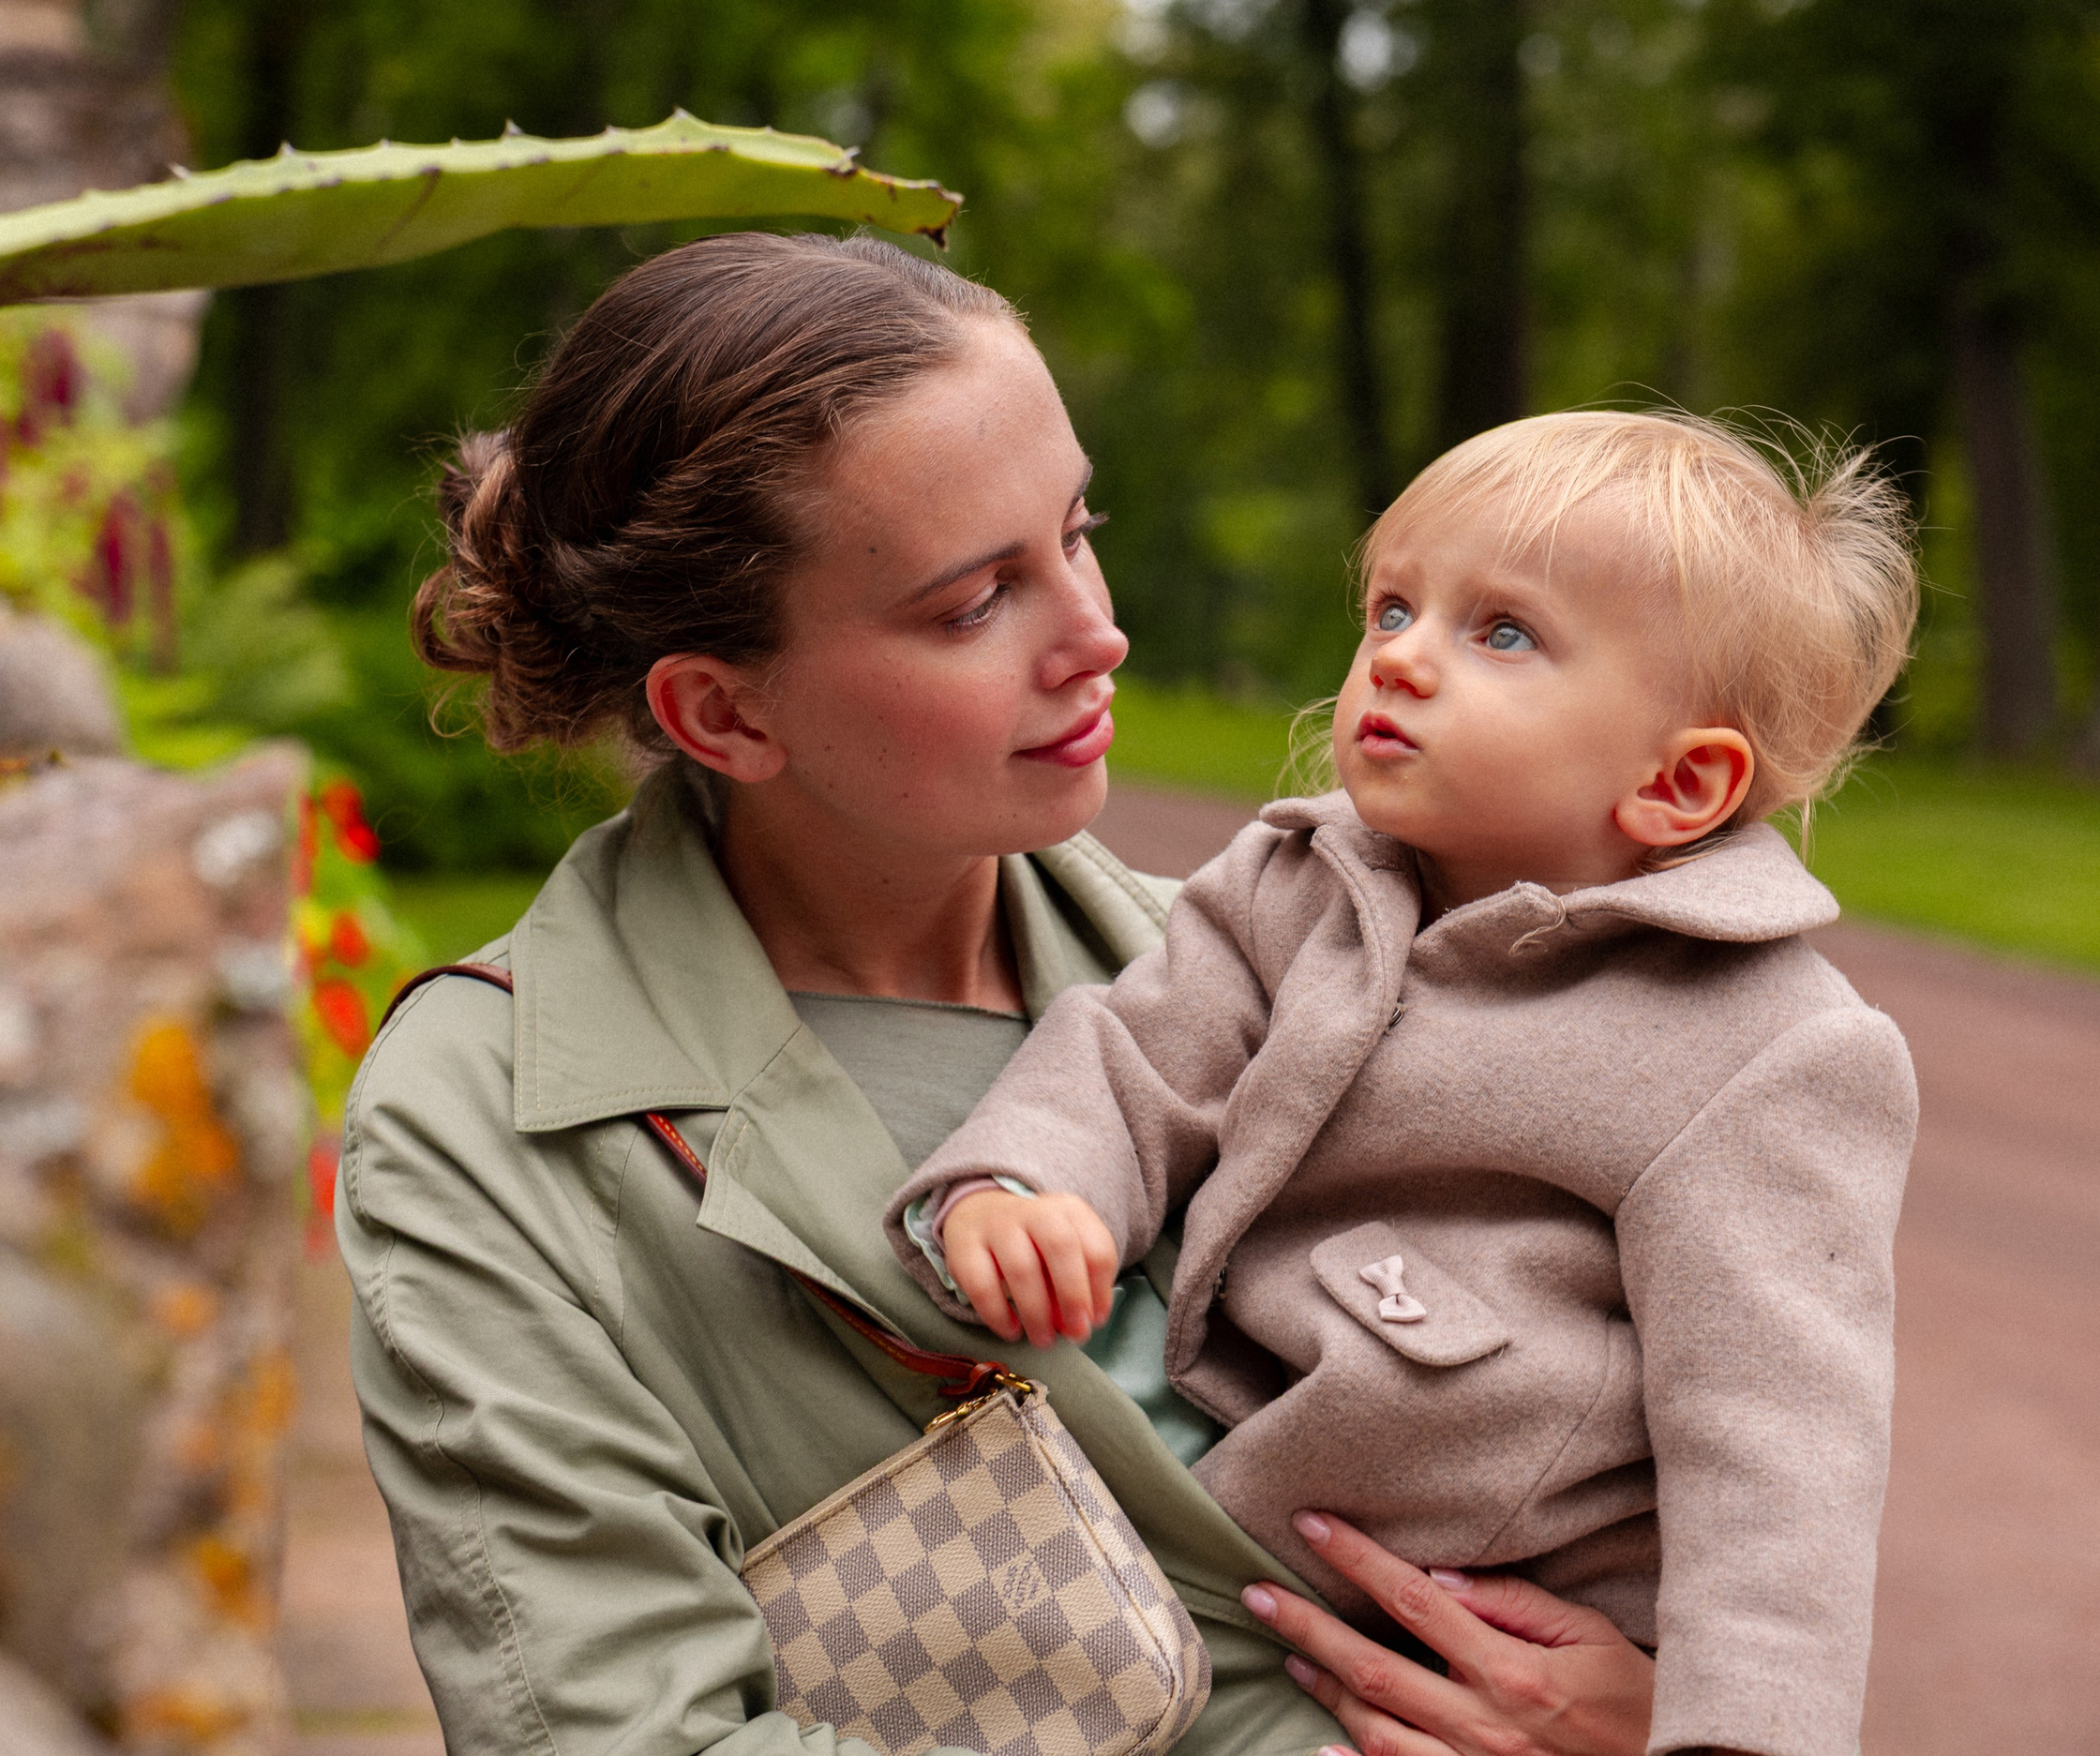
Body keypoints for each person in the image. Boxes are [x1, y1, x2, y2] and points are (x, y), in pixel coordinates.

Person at [342, 230, 1662, 1756]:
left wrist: (1646, 1709)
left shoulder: (1291, 962)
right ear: (722, 708)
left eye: (1078, 532)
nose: (1098, 633)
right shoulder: (486, 1121)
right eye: (976, 602)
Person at [884, 412, 1922, 1756]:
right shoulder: (1301, 880)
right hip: (1240, 1529)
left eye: (1502, 633)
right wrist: (1023, 1183)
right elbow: (1133, 1052)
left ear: (1679, 782)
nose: (1400, 658)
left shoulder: (1764, 1044)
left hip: (1502, 1626)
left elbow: (1781, 1457)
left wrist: (1735, 1737)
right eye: (1393, 604)